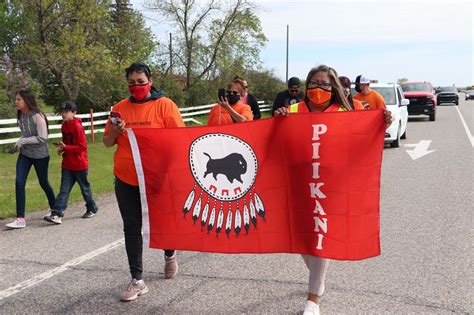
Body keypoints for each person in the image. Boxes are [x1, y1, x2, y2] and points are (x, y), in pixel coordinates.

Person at [275, 65, 392, 315]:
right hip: (299, 182)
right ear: (307, 86)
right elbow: (277, 142)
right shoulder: (294, 110)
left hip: (332, 185)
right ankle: (319, 277)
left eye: (325, 84)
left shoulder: (348, 111)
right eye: (314, 84)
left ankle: (313, 299)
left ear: (334, 87)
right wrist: (279, 121)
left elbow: (365, 138)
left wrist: (382, 122)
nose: (319, 89)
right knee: (303, 240)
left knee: (320, 236)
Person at [103, 62, 185, 302]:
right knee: (131, 226)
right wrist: (116, 132)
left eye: (140, 81)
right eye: (131, 83)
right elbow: (107, 143)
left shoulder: (164, 105)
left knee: (161, 223)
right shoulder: (119, 109)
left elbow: (178, 141)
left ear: (150, 81)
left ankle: (169, 254)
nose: (136, 86)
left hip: (157, 178)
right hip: (126, 177)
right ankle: (137, 280)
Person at [5, 88, 56, 229]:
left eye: (18, 99)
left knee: (43, 182)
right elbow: (26, 134)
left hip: (40, 155)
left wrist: (23, 141)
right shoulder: (20, 115)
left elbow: (42, 138)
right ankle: (20, 218)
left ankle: (55, 209)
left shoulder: (37, 116)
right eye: (16, 99)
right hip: (25, 155)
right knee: (19, 182)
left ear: (27, 100)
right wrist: (19, 142)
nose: (16, 102)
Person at [43, 101, 98, 225]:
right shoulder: (64, 126)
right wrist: (62, 149)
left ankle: (92, 208)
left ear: (74, 113)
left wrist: (67, 148)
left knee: (85, 189)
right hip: (67, 164)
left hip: (79, 164)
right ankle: (57, 214)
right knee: (64, 190)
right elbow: (67, 143)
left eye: (66, 112)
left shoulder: (77, 127)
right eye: (62, 112)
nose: (63, 114)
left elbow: (82, 147)